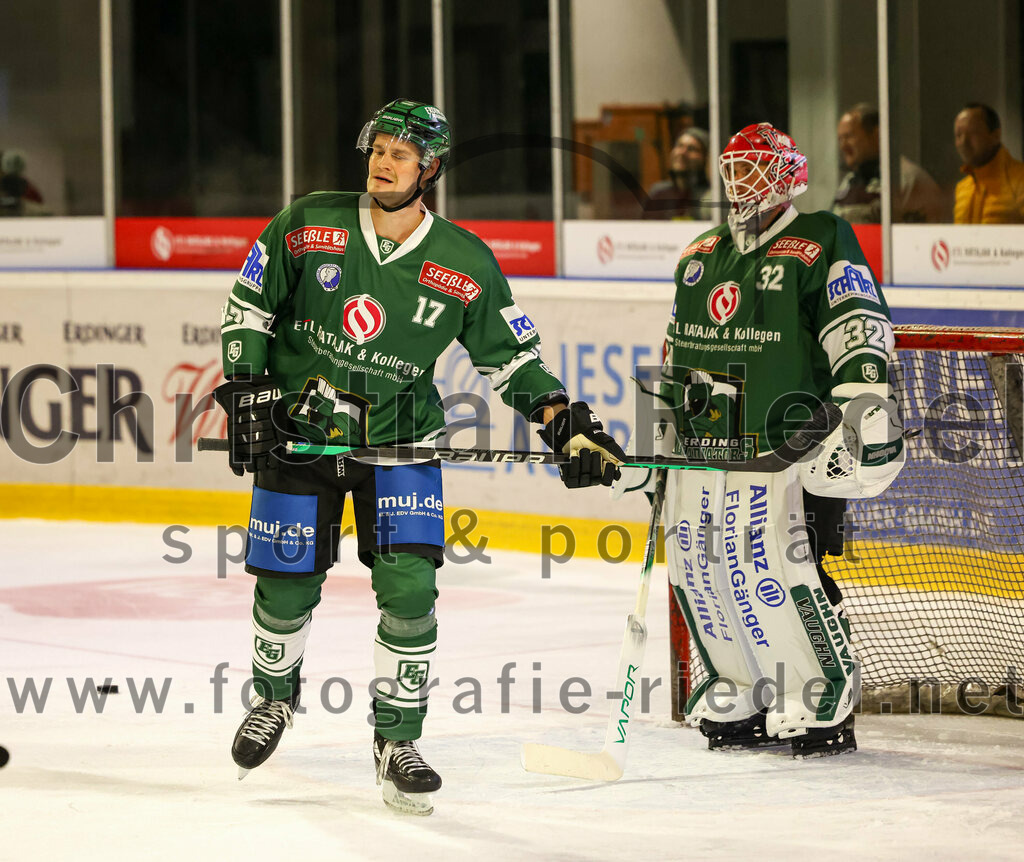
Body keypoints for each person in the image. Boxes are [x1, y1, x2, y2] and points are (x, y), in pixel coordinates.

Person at [213, 98, 625, 815]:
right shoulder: (309, 221)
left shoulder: (464, 261)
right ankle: (273, 701)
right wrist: (249, 391)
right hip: (301, 435)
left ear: (429, 169)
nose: (384, 161)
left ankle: (397, 738)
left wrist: (566, 426)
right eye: (379, 148)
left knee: (410, 594)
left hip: (401, 445)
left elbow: (514, 362)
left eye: (402, 154)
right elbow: (248, 305)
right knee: (284, 587)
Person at [616, 122, 905, 756]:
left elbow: (858, 326)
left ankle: (819, 690)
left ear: (785, 173)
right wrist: (656, 444)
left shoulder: (821, 236)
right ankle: (740, 682)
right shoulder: (698, 255)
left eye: (755, 169)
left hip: (795, 445)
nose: (743, 181)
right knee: (699, 566)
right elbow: (674, 358)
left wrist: (858, 408)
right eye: (735, 169)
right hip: (710, 453)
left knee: (777, 564)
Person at [832, 104, 942, 224]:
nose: (843, 146)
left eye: (848, 136)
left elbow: (917, 236)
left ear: (877, 134)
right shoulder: (849, 182)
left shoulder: (908, 179)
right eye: (840, 139)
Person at [953, 103, 1024, 224]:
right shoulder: (962, 188)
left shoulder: (1020, 179)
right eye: (959, 135)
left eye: (973, 133)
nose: (964, 142)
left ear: (996, 136)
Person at [646, 127, 715, 220]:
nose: (682, 152)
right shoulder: (659, 193)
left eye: (692, 149)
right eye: (679, 145)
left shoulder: (712, 196)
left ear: (706, 158)